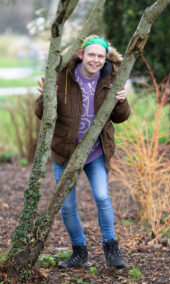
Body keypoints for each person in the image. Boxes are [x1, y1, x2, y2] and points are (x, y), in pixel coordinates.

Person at [35, 35, 130, 269]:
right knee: (66, 206)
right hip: (66, 153)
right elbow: (42, 114)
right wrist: (45, 96)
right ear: (81, 55)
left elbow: (120, 118)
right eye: (91, 55)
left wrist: (122, 101)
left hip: (96, 152)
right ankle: (79, 251)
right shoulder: (63, 77)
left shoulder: (111, 79)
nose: (96, 60)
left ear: (105, 58)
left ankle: (111, 249)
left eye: (100, 56)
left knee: (102, 196)